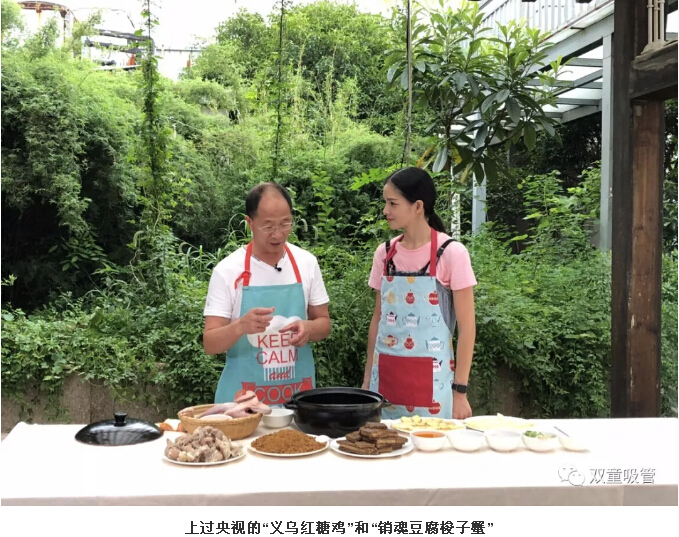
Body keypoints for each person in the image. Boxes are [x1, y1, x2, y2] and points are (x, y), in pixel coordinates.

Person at [361, 167, 477, 420]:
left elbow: (467, 329)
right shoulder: (385, 254)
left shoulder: (451, 254)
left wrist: (460, 392)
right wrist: (367, 380)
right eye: (385, 203)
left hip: (434, 391)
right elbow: (377, 319)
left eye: (393, 203)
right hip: (385, 385)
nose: (385, 210)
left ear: (418, 206)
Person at [203, 183, 331, 406]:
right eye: (268, 226)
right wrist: (240, 326)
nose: (278, 234)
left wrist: (308, 328)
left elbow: (324, 324)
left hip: (297, 403)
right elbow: (210, 343)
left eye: (285, 223)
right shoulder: (227, 270)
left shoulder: (306, 263)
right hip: (241, 407)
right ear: (250, 223)